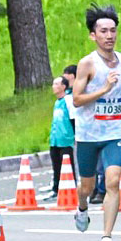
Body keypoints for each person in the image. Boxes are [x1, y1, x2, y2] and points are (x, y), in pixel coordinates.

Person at [69, 4, 121, 241]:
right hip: (88, 134)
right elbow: (76, 99)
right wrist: (103, 89)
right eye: (103, 31)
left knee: (113, 182)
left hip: (114, 131)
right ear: (93, 35)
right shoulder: (87, 64)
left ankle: (106, 238)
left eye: (113, 30)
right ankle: (82, 207)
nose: (109, 35)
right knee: (87, 186)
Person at [47, 66, 78, 200]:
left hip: (66, 139)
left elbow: (73, 118)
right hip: (55, 139)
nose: (53, 87)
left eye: (56, 84)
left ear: (63, 87)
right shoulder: (57, 102)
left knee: (68, 164)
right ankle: (56, 188)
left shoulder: (68, 100)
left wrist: (75, 135)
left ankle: (72, 187)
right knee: (56, 165)